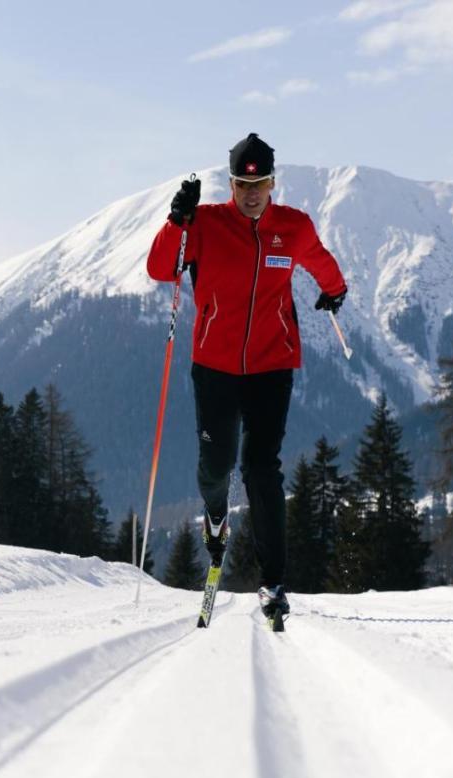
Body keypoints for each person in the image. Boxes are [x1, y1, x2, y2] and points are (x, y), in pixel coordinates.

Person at [145, 132, 348, 624]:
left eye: (259, 184)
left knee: (262, 468)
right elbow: (159, 268)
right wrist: (177, 221)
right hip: (214, 367)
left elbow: (321, 262)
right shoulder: (206, 223)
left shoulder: (292, 227)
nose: (251, 193)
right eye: (241, 184)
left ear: (273, 182)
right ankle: (216, 521)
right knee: (215, 466)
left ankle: (274, 581)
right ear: (231, 184)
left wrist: (335, 291)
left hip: (271, 366)